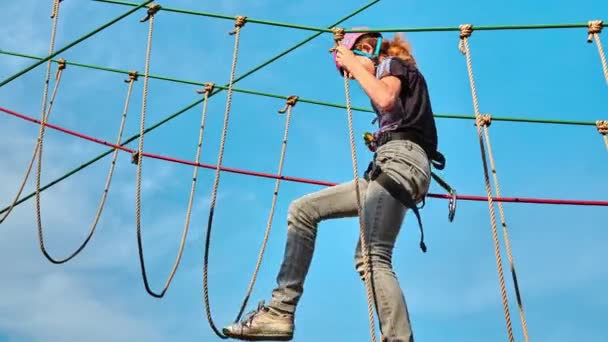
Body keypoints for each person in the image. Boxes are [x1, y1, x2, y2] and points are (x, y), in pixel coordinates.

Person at [222, 28, 441, 342]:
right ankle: (281, 310)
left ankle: (398, 338)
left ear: (366, 48)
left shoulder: (391, 65)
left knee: (372, 256)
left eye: (348, 72)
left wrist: (350, 61)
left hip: (400, 162)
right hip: (390, 165)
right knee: (303, 210)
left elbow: (385, 97)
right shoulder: (396, 76)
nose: (350, 79)